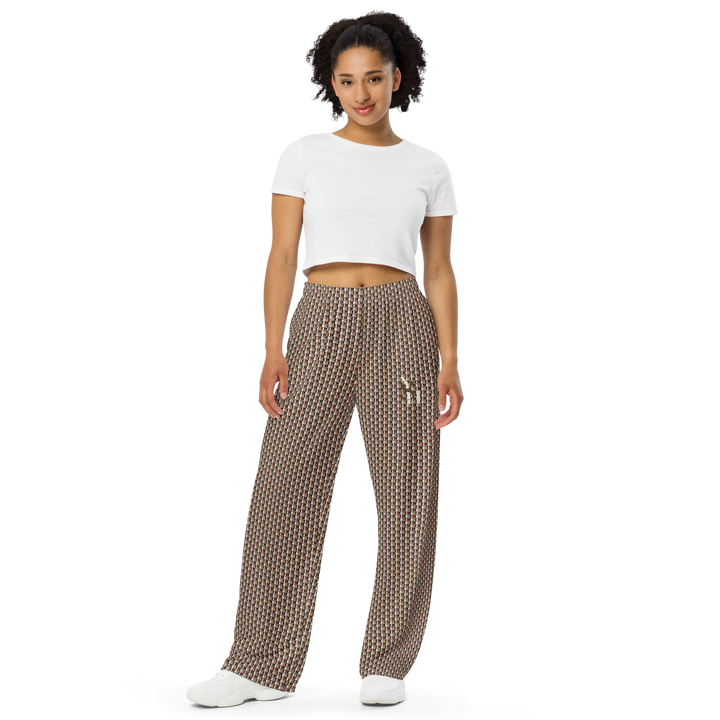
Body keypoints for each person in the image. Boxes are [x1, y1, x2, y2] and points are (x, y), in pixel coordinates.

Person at [185, 7, 465, 708]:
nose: (360, 93)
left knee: (407, 492)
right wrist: (271, 347)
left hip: (403, 321)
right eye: (346, 81)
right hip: (319, 317)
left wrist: (451, 360)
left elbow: (439, 269)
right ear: (330, 84)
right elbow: (281, 256)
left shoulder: (429, 165)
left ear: (397, 77)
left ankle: (388, 661)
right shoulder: (302, 153)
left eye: (373, 78)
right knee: (284, 486)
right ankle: (258, 662)